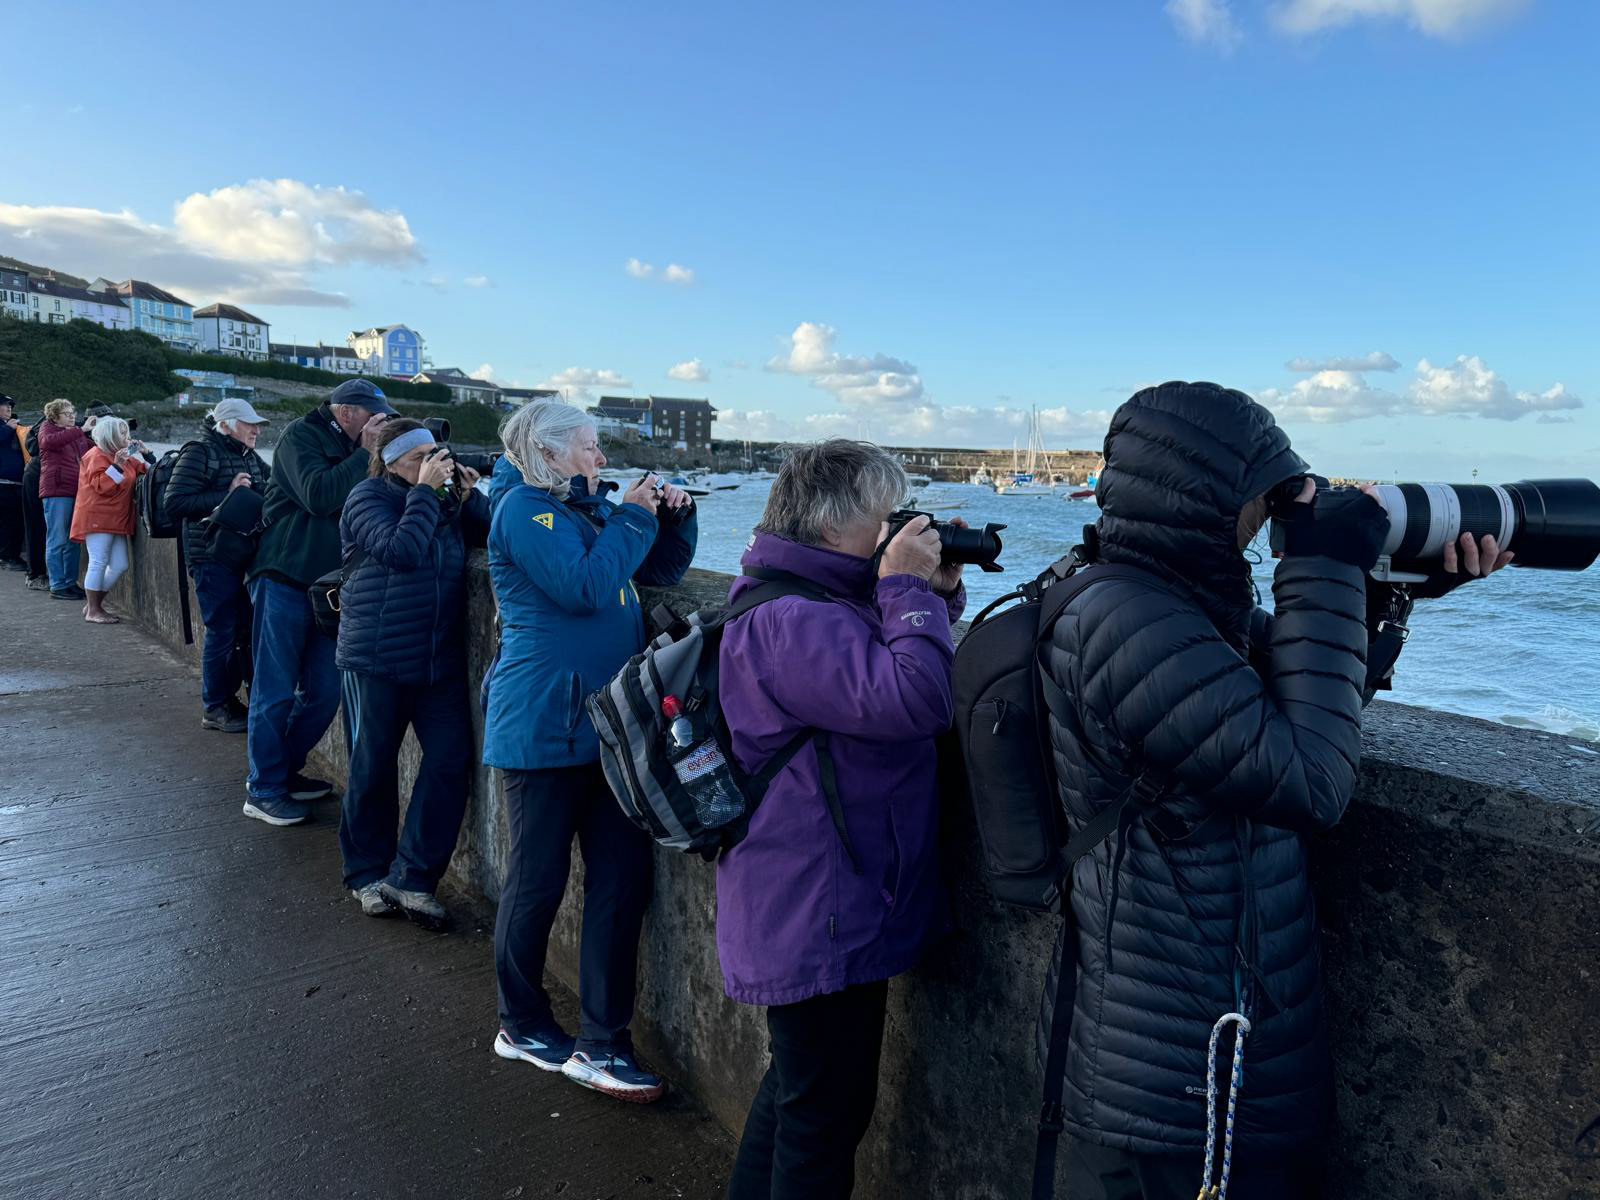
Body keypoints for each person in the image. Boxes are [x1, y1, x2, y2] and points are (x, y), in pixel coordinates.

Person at [1040, 382, 1511, 1200]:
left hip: (1217, 1055)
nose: (1281, 513)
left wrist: (1391, 591)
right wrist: (1324, 562)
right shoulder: (1125, 618)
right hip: (1175, 1083)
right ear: (1206, 494)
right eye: (1272, 492)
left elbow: (1308, 703)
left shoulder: (1179, 605)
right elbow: (1311, 778)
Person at [716, 440, 966, 1199]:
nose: (898, 531)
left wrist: (935, 595)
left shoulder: (804, 599)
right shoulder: (790, 620)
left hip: (816, 894)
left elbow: (875, 666)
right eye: (884, 517)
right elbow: (915, 701)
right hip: (816, 903)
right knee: (825, 1116)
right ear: (831, 528)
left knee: (801, 1094)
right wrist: (906, 588)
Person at [484, 401, 696, 1102]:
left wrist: (672, 516)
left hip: (606, 730)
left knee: (620, 883)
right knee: (537, 882)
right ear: (548, 453)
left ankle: (603, 1044)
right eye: (590, 448)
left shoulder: (584, 511)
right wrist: (631, 517)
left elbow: (655, 568)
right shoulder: (521, 509)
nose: (601, 460)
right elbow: (583, 588)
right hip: (542, 725)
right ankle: (519, 1023)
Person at [336, 419, 489, 929]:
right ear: (395, 459)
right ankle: (366, 874)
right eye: (423, 454)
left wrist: (468, 498)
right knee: (372, 767)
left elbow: (489, 539)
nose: (435, 461)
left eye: (437, 453)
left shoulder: (441, 502)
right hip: (376, 657)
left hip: (436, 660)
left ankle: (414, 877)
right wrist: (426, 492)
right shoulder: (366, 497)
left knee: (449, 762)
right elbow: (401, 552)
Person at [243, 377, 394, 827]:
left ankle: (282, 771)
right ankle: (264, 788)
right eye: (374, 417)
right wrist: (367, 453)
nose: (378, 426)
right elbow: (319, 495)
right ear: (347, 412)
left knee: (326, 690)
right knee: (273, 691)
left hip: (330, 591)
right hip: (284, 578)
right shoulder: (299, 436)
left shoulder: (359, 447)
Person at [164, 399, 272, 732]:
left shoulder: (247, 455)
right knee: (222, 631)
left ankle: (230, 699)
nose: (256, 430)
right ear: (224, 424)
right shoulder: (200, 451)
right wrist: (227, 493)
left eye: (257, 424)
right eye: (248, 423)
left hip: (240, 554)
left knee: (241, 630)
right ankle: (214, 706)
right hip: (210, 555)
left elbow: (271, 487)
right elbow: (175, 502)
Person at [68, 417, 148, 623]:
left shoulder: (122, 455)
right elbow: (102, 486)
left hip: (116, 518)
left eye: (126, 432)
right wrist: (118, 466)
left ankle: (92, 606)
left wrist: (147, 454)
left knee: (120, 564)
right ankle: (94, 610)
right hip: (98, 516)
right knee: (98, 561)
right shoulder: (96, 455)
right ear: (110, 435)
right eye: (122, 433)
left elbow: (147, 471)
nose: (127, 436)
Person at [37, 399, 92, 600]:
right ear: (54, 416)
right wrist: (81, 429)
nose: (72, 416)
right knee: (57, 539)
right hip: (56, 491)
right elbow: (48, 443)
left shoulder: (75, 434)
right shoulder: (47, 429)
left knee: (73, 540)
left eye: (72, 412)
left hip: (75, 491)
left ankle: (70, 582)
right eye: (67, 413)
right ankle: (57, 584)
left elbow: (92, 449)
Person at [20, 418, 49, 589]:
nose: (71, 416)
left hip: (34, 475)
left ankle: (36, 573)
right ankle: (35, 574)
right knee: (36, 526)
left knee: (36, 527)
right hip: (36, 477)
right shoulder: (52, 429)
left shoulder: (43, 426)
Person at [0, 393, 24, 571]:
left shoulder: (10, 425)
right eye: (5, 405)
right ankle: (8, 558)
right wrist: (8, 429)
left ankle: (11, 556)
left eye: (10, 405)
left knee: (15, 522)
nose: (9, 408)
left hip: (15, 483)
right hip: (3, 483)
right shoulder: (6, 427)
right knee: (8, 523)